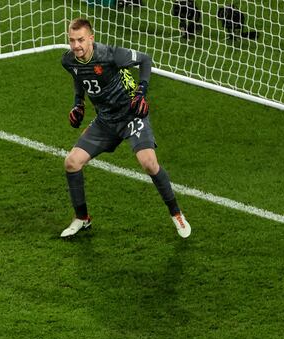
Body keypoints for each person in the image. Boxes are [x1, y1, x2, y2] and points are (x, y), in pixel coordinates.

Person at [60, 17, 191, 239]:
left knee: (149, 163)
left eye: (80, 40)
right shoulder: (69, 61)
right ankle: (82, 218)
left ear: (91, 38)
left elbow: (145, 60)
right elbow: (78, 77)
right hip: (105, 120)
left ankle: (176, 213)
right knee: (71, 163)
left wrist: (141, 92)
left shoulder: (110, 54)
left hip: (130, 114)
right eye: (71, 40)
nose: (76, 46)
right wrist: (78, 103)